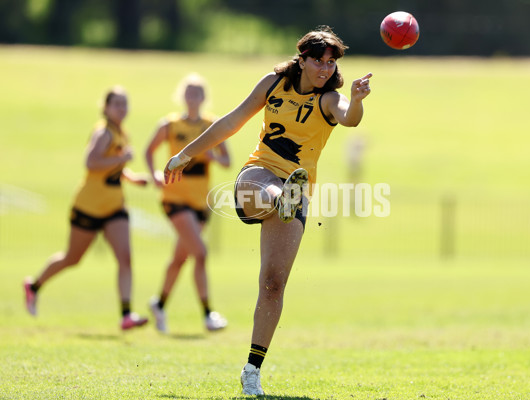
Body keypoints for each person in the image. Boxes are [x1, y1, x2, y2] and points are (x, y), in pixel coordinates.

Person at [163, 26, 372, 396]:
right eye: (318, 61)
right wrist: (185, 154)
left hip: (298, 194)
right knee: (267, 186)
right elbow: (230, 121)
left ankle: (252, 370)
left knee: (273, 284)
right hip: (257, 176)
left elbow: (349, 118)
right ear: (303, 59)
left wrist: (356, 99)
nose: (325, 69)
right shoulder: (274, 84)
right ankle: (282, 197)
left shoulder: (329, 99)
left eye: (330, 63)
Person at [23, 86, 149, 330]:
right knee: (72, 258)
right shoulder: (103, 132)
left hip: (114, 206)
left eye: (125, 104)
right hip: (89, 206)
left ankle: (126, 314)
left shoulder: (122, 133)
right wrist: (122, 159)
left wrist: (133, 178)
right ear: (106, 107)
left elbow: (112, 169)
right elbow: (91, 162)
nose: (122, 108)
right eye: (117, 104)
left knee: (125, 257)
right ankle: (34, 286)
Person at [145, 73, 231, 333]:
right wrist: (154, 175)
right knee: (201, 254)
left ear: (204, 97)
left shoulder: (212, 125)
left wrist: (211, 156)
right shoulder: (169, 125)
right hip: (175, 198)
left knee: (180, 259)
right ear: (182, 96)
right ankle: (208, 314)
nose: (193, 97)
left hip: (200, 203)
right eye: (189, 92)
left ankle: (159, 304)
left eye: (198, 92)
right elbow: (149, 151)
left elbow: (227, 161)